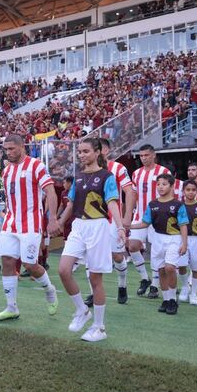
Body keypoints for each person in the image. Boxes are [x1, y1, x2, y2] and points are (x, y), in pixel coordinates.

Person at [57, 138, 125, 342]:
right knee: (63, 270)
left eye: (86, 151)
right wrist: (59, 222)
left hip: (98, 227)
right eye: (79, 152)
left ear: (97, 153)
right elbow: (70, 204)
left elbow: (112, 203)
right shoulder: (78, 177)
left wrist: (120, 226)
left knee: (95, 279)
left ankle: (99, 327)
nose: (81, 155)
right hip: (78, 226)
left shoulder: (107, 176)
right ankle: (82, 310)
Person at [0, 134, 59, 322]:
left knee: (29, 265)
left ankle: (49, 289)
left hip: (31, 222)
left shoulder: (36, 165)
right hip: (10, 223)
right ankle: (11, 307)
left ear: (22, 147)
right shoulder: (6, 171)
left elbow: (50, 191)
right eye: (6, 149)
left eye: (11, 148)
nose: (8, 152)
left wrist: (53, 218)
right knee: (7, 261)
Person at [130, 174, 188, 315]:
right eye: (158, 184)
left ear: (172, 186)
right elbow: (145, 223)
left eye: (164, 184)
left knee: (169, 268)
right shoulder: (153, 204)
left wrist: (184, 243)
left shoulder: (178, 205)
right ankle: (166, 300)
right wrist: (128, 226)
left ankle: (173, 300)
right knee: (161, 270)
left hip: (174, 239)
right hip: (158, 239)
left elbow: (183, 225)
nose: (160, 187)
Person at [129, 144, 171, 299]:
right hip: (140, 215)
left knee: (156, 251)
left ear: (153, 155)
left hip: (158, 217)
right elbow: (133, 195)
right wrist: (129, 214)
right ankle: (144, 278)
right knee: (132, 246)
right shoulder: (136, 173)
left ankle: (155, 284)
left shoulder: (164, 171)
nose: (144, 158)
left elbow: (169, 193)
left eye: (146, 155)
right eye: (141, 156)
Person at [100, 138, 136, 304]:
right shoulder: (87, 168)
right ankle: (94, 292)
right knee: (92, 256)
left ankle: (122, 283)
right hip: (92, 220)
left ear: (106, 150)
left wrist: (127, 217)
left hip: (113, 220)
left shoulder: (118, 168)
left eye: (98, 148)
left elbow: (129, 191)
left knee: (117, 256)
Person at [176, 180, 197, 306]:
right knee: (181, 265)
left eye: (193, 190)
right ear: (183, 191)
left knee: (196, 267)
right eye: (188, 190)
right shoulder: (179, 205)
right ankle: (185, 287)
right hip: (182, 239)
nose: (190, 192)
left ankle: (194, 294)